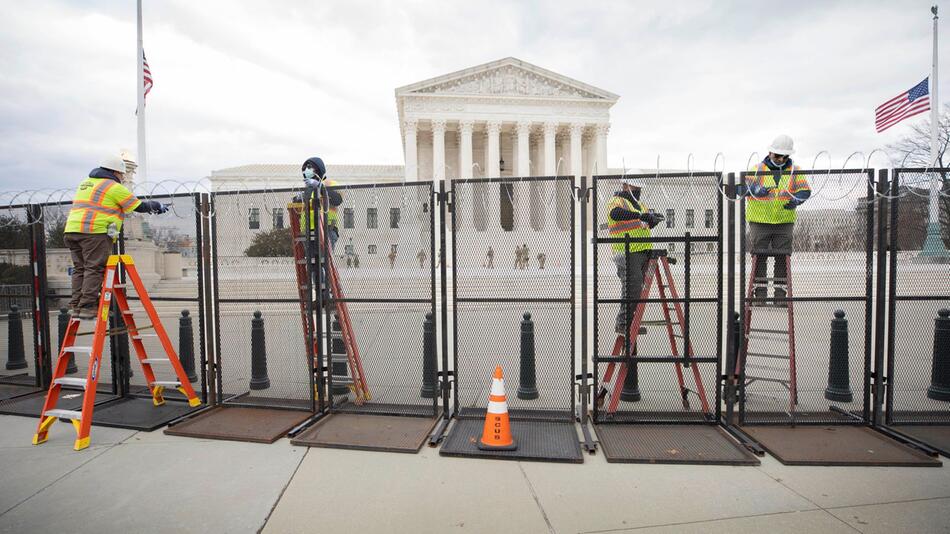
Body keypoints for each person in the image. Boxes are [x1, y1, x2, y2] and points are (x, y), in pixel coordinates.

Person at [64, 155, 167, 319]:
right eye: (121, 173)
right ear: (114, 172)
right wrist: (156, 205)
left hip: (72, 230)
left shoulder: (86, 183)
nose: (123, 177)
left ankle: (76, 304)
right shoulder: (112, 186)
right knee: (94, 267)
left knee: (80, 268)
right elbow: (137, 206)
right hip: (94, 232)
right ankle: (87, 306)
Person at [743, 134, 811, 307]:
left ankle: (780, 296)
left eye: (784, 156)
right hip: (760, 221)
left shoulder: (795, 170)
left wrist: (796, 200)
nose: (780, 159)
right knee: (759, 257)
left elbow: (805, 190)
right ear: (770, 152)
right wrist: (755, 190)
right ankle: (760, 295)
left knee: (783, 257)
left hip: (784, 221)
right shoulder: (757, 168)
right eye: (777, 155)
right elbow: (742, 188)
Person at [606, 177, 663, 336]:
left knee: (638, 291)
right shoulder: (616, 201)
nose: (638, 189)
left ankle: (631, 324)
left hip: (643, 252)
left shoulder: (641, 205)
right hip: (626, 252)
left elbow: (645, 223)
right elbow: (616, 214)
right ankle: (623, 323)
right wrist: (639, 216)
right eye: (634, 186)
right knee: (632, 288)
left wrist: (652, 219)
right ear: (625, 185)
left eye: (639, 187)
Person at [300, 156, 343, 300]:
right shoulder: (307, 188)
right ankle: (320, 294)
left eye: (310, 168)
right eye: (305, 168)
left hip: (326, 231)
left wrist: (319, 186)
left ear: (319, 169)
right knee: (313, 266)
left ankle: (328, 293)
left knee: (325, 263)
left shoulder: (328, 183)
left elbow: (337, 199)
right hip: (310, 232)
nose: (307, 171)